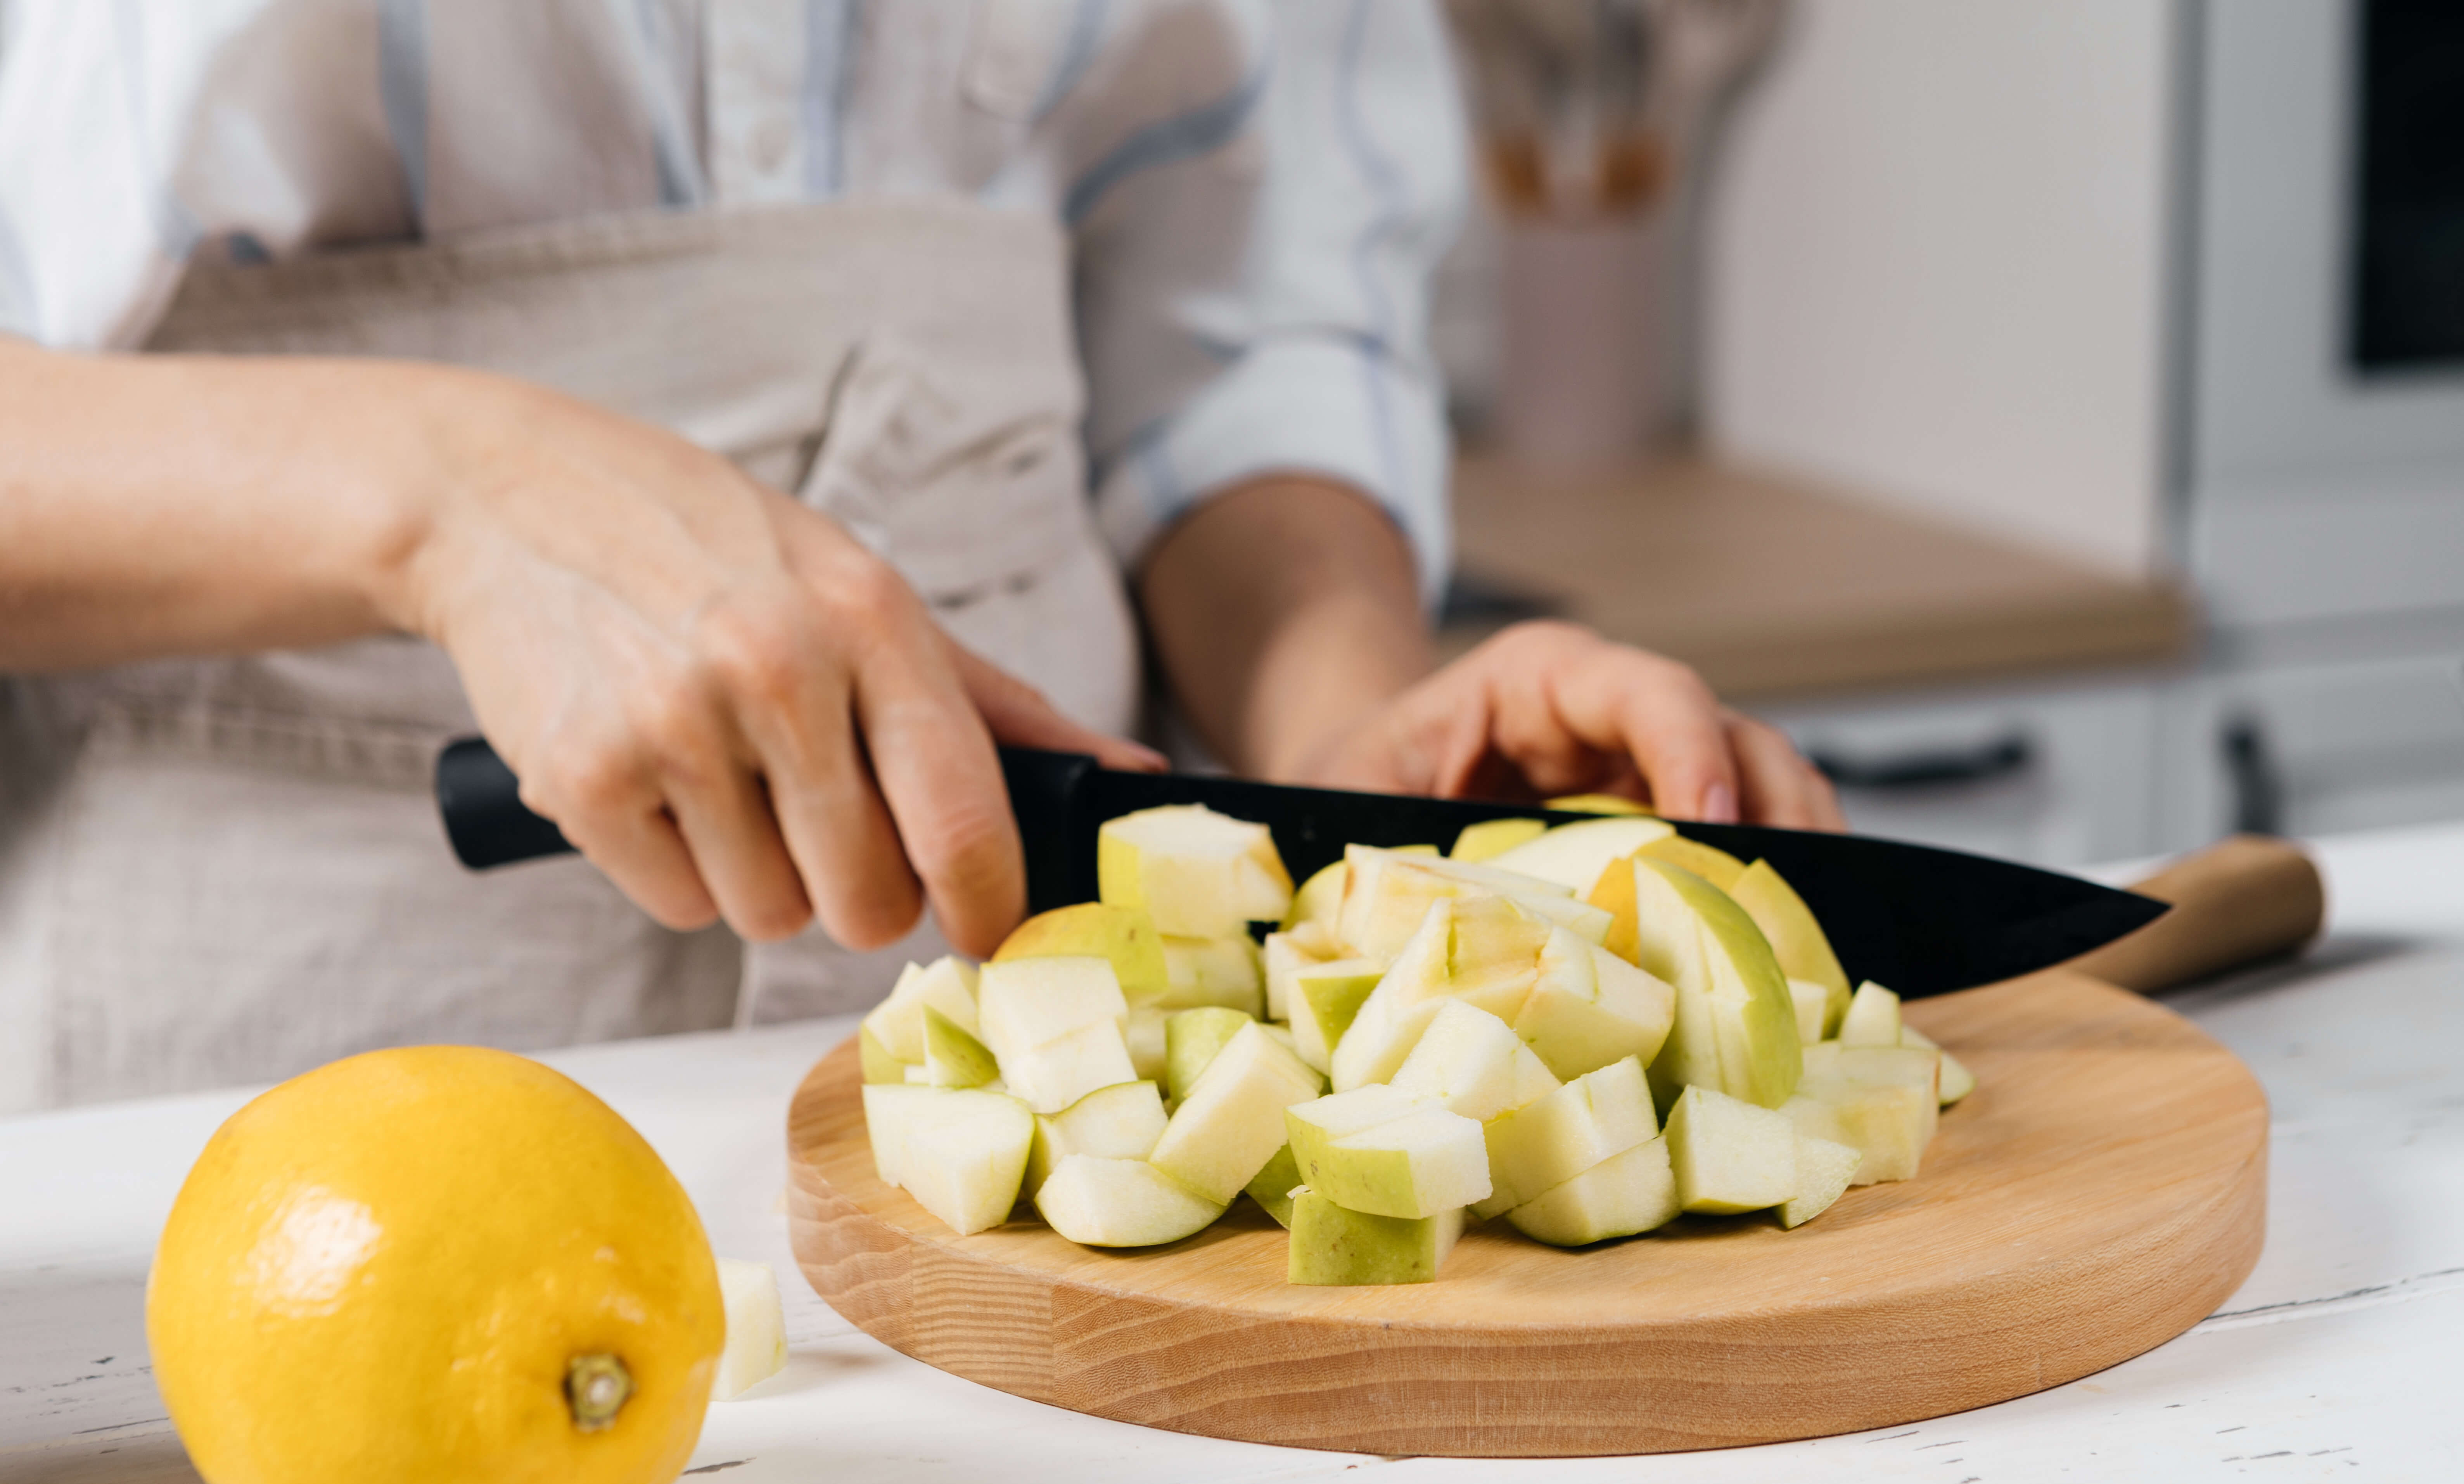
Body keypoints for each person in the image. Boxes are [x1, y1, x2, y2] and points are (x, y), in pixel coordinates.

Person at [0, 1, 1838, 1112]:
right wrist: (439, 489)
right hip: (239, 1053)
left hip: (1054, 1002)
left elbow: (1234, 325)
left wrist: (1348, 726)